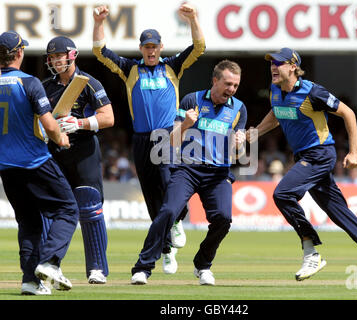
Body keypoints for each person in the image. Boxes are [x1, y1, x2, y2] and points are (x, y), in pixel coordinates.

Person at [247, 47, 357, 288]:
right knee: (342, 216)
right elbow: (276, 114)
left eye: (278, 63)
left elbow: (348, 113)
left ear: (293, 67)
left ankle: (311, 251)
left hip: (320, 155)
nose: (273, 67)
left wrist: (354, 152)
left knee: (282, 193)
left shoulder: (313, 92)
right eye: (271, 63)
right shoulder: (275, 91)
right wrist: (255, 132)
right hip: (305, 156)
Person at [92, 3, 205, 274]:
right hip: (141, 139)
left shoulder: (172, 67)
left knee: (168, 183)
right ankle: (165, 249)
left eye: (154, 46)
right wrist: (99, 22)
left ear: (161, 47)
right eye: (146, 47)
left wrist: (194, 19)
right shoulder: (130, 69)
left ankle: (177, 219)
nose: (151, 51)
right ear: (141, 49)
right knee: (152, 196)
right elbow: (100, 52)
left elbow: (199, 47)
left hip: (167, 136)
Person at [131, 60, 247, 286]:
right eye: (227, 84)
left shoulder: (239, 108)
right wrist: (185, 124)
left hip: (217, 174)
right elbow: (171, 141)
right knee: (167, 212)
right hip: (188, 169)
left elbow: (238, 154)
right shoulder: (191, 100)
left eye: (235, 85)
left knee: (223, 219)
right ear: (215, 81)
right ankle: (143, 268)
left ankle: (203, 265)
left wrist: (239, 143)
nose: (231, 90)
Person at [0, 31, 79, 295]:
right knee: (68, 209)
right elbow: (49, 125)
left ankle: (30, 281)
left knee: (29, 222)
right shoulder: (30, 83)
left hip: (7, 168)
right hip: (35, 161)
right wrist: (61, 139)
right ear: (19, 53)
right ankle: (50, 262)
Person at [42, 36, 114, 284]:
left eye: (58, 56)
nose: (54, 61)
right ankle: (51, 264)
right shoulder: (46, 86)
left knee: (90, 206)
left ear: (71, 55)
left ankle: (97, 269)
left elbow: (108, 118)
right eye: (51, 57)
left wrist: (79, 123)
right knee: (53, 208)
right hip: (55, 152)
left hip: (84, 150)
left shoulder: (88, 83)